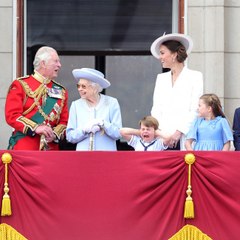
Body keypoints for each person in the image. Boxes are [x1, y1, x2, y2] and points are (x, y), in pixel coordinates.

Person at [5, 46, 69, 150]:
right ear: (43, 63)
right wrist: (36, 128)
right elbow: (12, 115)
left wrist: (55, 135)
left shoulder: (61, 91)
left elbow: (64, 122)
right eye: (56, 61)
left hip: (51, 151)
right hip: (25, 149)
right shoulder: (20, 85)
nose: (59, 65)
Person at [150, 33, 203, 150]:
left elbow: (195, 109)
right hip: (163, 139)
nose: (160, 57)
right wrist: (161, 133)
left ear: (174, 55)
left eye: (162, 53)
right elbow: (156, 108)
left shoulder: (195, 76)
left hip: (185, 137)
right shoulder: (161, 78)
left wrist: (178, 132)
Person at [66, 68, 122, 150]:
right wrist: (84, 130)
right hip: (83, 157)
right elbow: (70, 136)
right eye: (78, 86)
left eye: (83, 86)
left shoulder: (112, 103)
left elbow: (118, 133)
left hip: (107, 157)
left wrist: (103, 124)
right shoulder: (76, 105)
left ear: (95, 88)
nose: (79, 89)